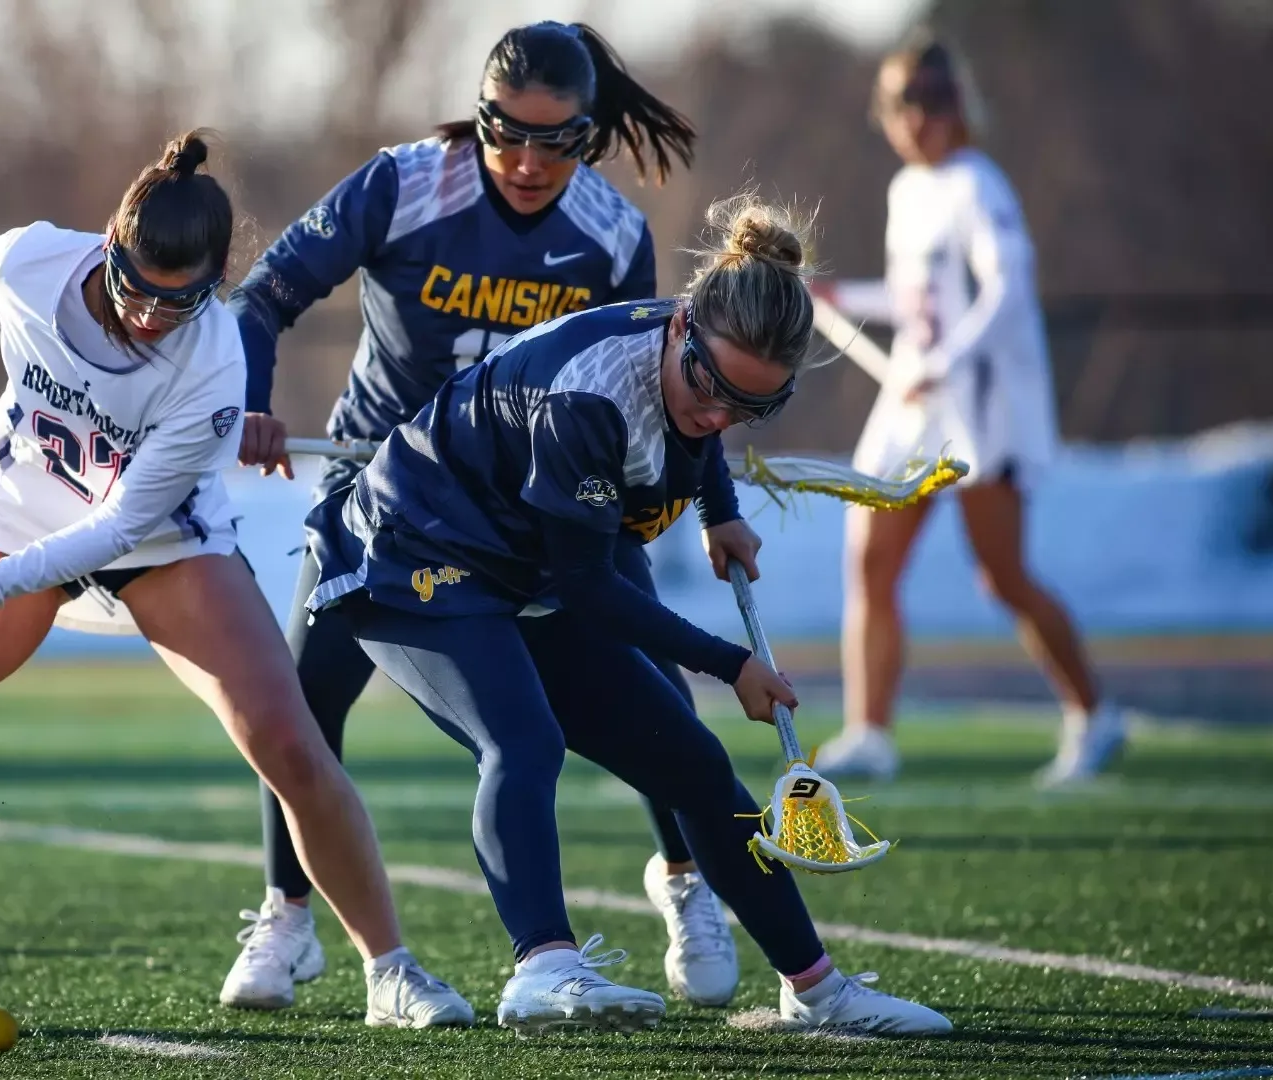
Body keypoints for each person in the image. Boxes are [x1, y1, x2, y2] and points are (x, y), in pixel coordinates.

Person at [0, 131, 473, 1030]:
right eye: (137, 290)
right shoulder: (39, 260)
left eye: (182, 300)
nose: (154, 316)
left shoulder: (215, 362)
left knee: (288, 739)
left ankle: (389, 969)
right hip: (17, 511)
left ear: (212, 286)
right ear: (110, 248)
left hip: (161, 541)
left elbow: (116, 529)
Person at [300, 193, 955, 1037]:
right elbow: (593, 588)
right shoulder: (591, 397)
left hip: (517, 557)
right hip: (413, 550)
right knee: (523, 738)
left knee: (692, 759)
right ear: (684, 326)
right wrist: (732, 665)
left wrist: (719, 507)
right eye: (714, 389)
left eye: (752, 407)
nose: (720, 415)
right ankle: (543, 968)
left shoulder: (696, 358)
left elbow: (697, 431)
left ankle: (816, 989)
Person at [222, 19, 741, 1013]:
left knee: (650, 685)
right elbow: (265, 296)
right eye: (510, 131)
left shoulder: (611, 233)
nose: (530, 159)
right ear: (481, 112)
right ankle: (288, 914)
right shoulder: (405, 184)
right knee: (302, 699)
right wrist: (251, 398)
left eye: (560, 140)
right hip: (390, 495)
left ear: (589, 136)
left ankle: (685, 885)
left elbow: (659, 385)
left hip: (541, 505)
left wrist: (710, 504)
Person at [810, 31, 1122, 786]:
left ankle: (1094, 713)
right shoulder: (906, 191)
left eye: (933, 101)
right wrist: (838, 297)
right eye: (901, 103)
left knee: (1002, 575)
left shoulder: (979, 186)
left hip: (984, 405)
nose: (918, 118)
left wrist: (946, 364)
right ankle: (871, 733)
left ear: (960, 107)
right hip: (916, 402)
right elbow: (920, 302)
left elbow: (1007, 293)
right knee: (871, 560)